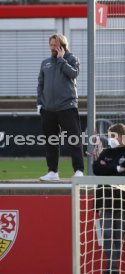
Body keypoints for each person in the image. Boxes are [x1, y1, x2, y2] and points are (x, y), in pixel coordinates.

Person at [37, 33, 84, 181]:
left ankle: (78, 170)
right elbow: (40, 84)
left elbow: (74, 74)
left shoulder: (72, 59)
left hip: (67, 106)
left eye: (54, 45)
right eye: (50, 45)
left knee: (74, 139)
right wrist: (40, 103)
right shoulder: (45, 63)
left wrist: (62, 60)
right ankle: (52, 172)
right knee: (51, 141)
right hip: (48, 109)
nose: (52, 48)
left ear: (62, 46)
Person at [92, 123, 125, 274]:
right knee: (106, 234)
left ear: (122, 136)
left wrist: (108, 167)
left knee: (118, 236)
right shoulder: (106, 152)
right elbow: (97, 169)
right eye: (109, 136)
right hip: (105, 199)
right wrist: (117, 168)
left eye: (113, 136)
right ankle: (111, 269)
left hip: (123, 200)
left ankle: (111, 269)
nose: (110, 139)